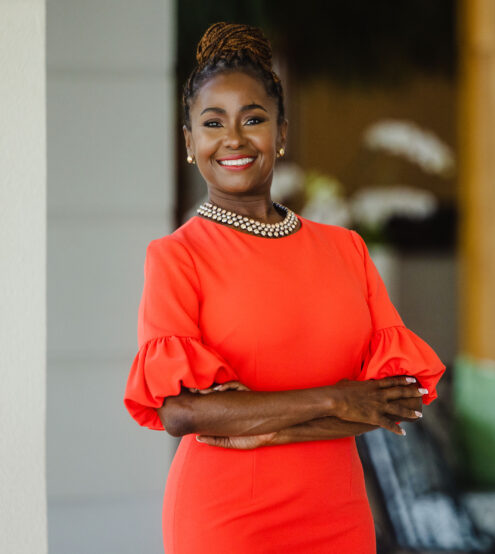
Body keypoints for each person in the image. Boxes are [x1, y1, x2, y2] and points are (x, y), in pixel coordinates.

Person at [122, 22, 446, 553]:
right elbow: (182, 412)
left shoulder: (347, 249)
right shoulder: (177, 256)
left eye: (253, 119)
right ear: (190, 142)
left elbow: (394, 401)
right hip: (225, 519)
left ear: (282, 133)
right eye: (212, 122)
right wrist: (337, 399)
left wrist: (255, 421)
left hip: (337, 515)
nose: (233, 138)